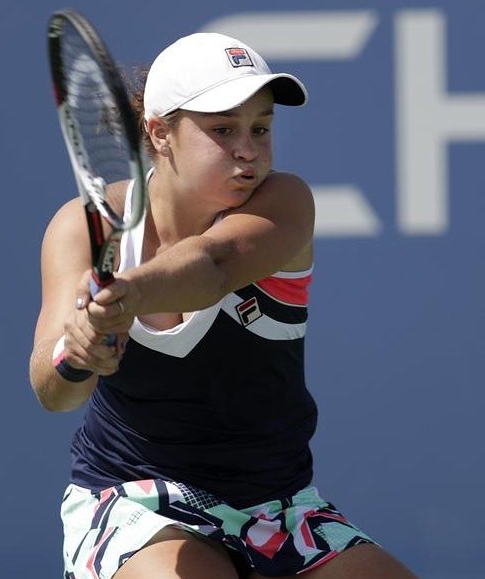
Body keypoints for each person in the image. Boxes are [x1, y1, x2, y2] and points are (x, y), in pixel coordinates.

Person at [29, 31, 417, 579]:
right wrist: (77, 353)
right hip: (137, 498)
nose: (249, 150)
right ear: (160, 133)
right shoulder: (80, 228)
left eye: (260, 128)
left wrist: (128, 292)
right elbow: (54, 393)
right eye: (223, 130)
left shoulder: (285, 202)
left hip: (278, 504)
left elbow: (213, 265)